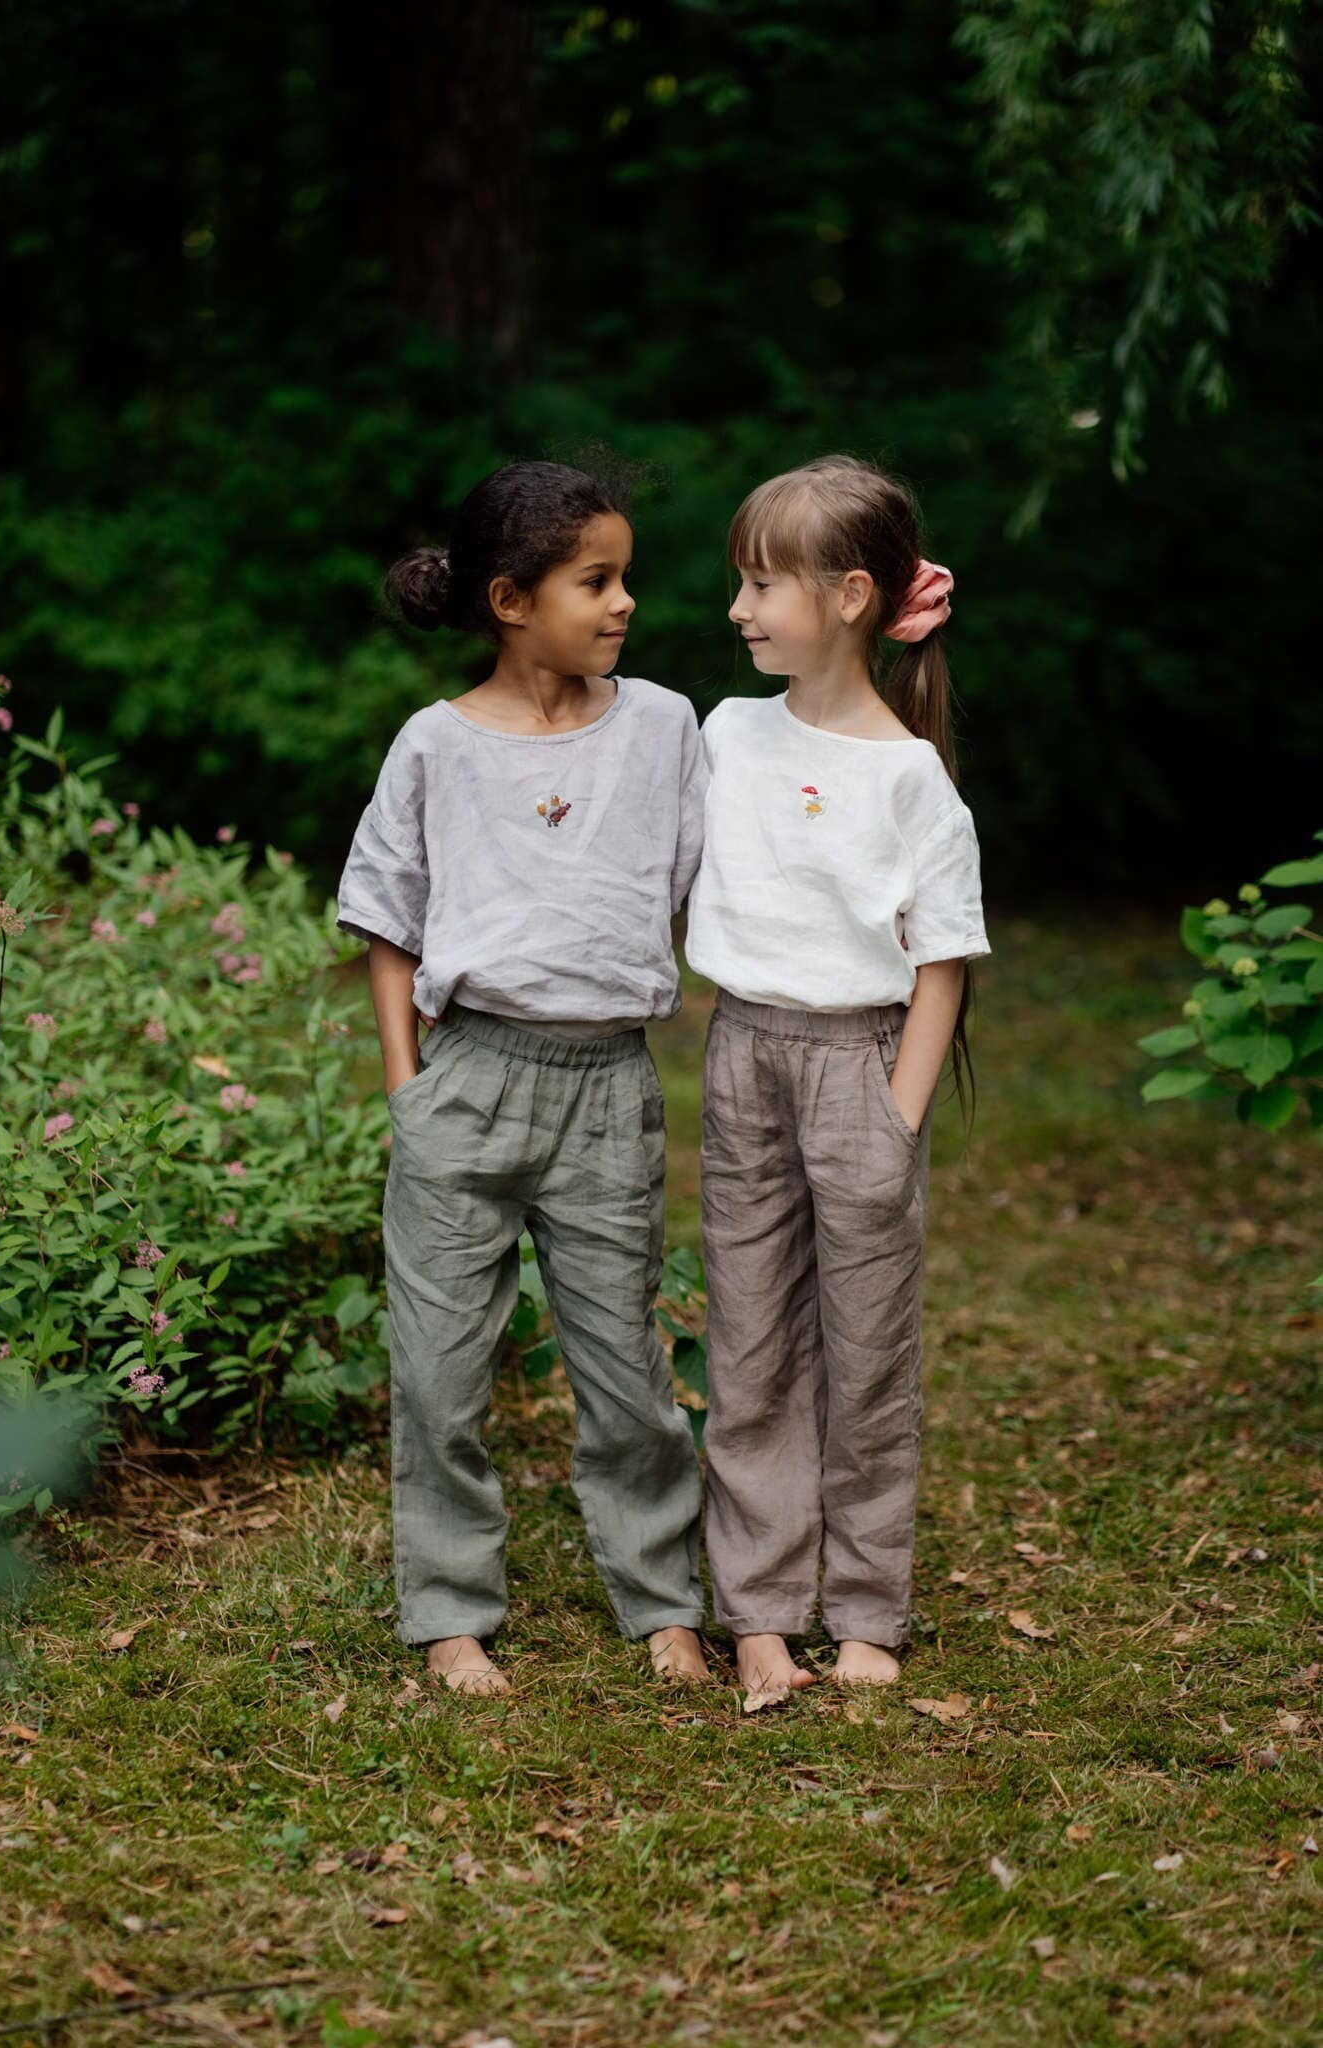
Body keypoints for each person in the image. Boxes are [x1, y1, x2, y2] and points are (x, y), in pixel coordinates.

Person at [337, 461, 708, 1696]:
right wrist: (409, 1087)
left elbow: (707, 876)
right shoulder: (435, 745)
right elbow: (387, 921)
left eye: (625, 577)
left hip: (606, 1086)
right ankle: (450, 1610)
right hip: (470, 1076)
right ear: (510, 599)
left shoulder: (663, 727)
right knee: (439, 1370)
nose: (624, 602)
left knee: (626, 1367)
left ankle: (663, 1599)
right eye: (596, 581)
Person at [685, 455, 990, 1706]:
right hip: (744, 1056)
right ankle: (759, 1608)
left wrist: (895, 1120)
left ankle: (865, 1607)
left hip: (863, 1064)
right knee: (750, 1339)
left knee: (866, 1353)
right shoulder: (725, 733)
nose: (740, 608)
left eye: (764, 584)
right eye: (741, 582)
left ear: (852, 595)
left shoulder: (912, 776)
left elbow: (943, 963)